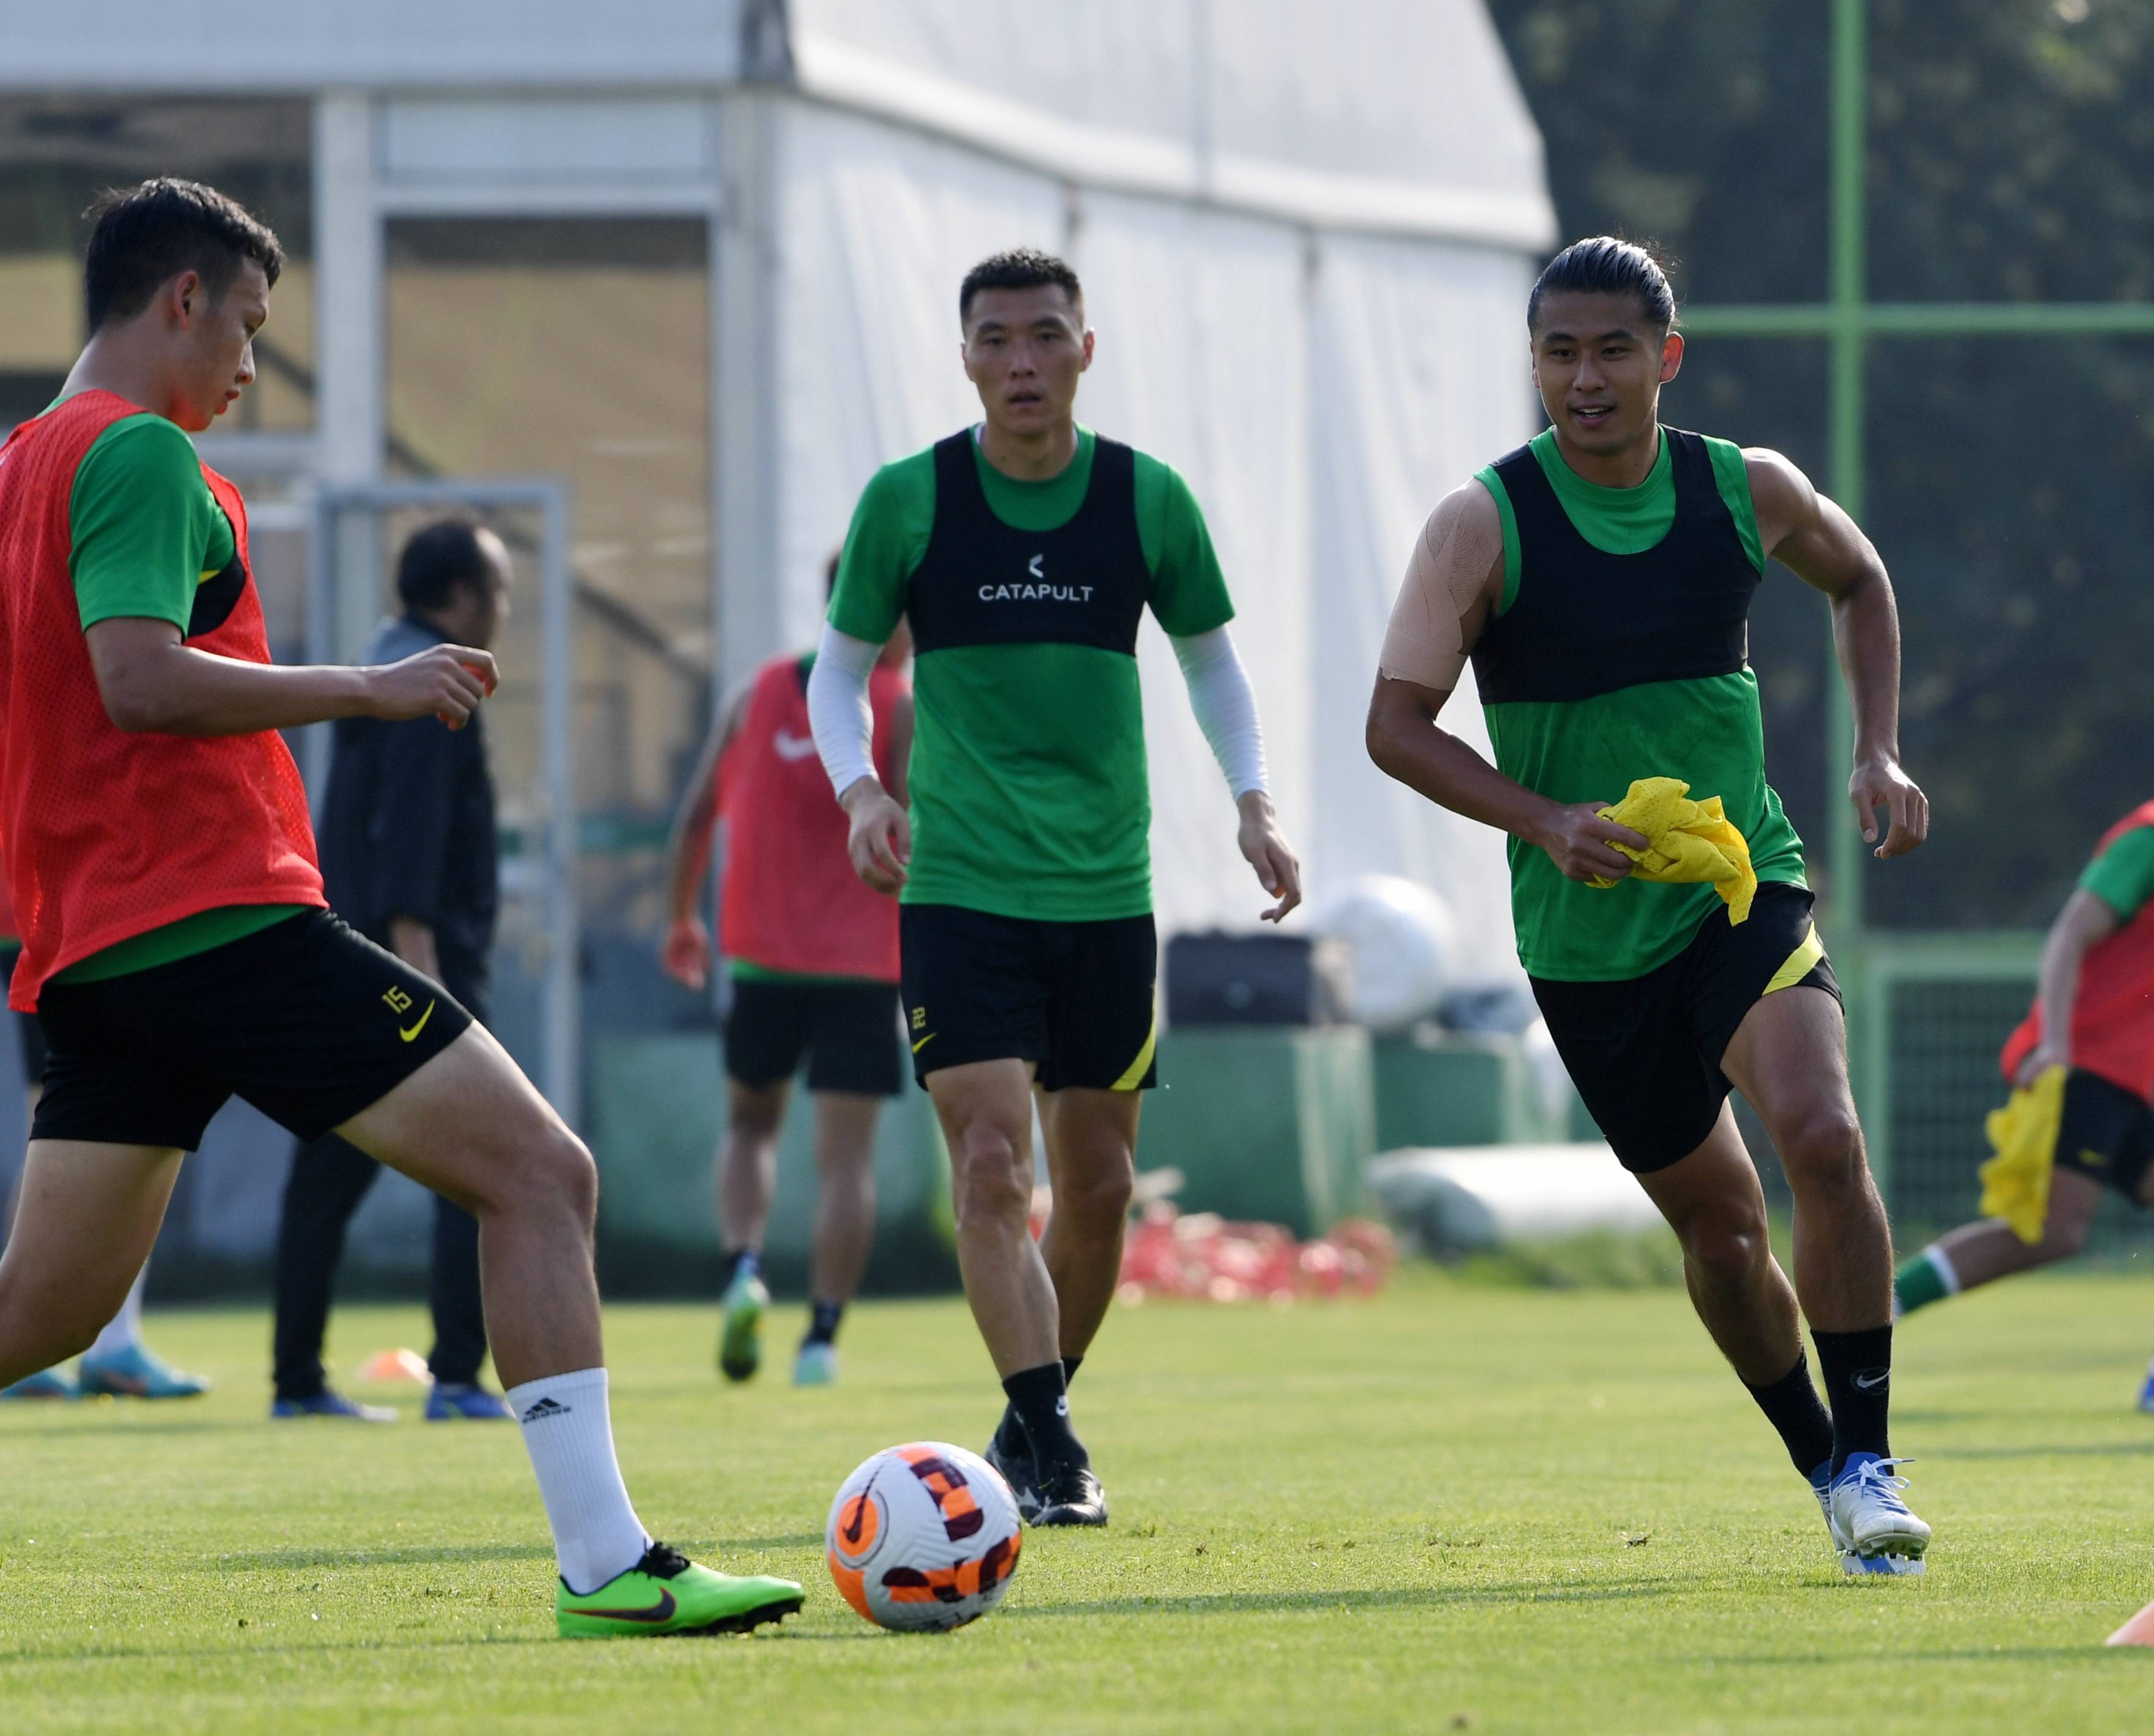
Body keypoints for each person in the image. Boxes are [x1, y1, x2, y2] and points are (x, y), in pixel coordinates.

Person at [0, 177, 800, 1636]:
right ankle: (607, 1561)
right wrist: (363, 686)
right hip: (219, 919)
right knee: (544, 1175)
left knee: (40, 1317)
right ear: (180, 299)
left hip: (102, 946)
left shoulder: (20, 464)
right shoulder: (139, 456)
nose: (251, 359)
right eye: (247, 322)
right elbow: (137, 678)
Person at [1367, 237, 1935, 1576]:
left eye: (1613, 348)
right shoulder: (1482, 523)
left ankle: (1872, 1455)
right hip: (1585, 940)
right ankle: (1818, 1460)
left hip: (1740, 886)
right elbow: (1396, 725)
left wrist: (1878, 746)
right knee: (1725, 1233)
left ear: (1666, 358)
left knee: (1825, 1134)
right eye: (1559, 351)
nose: (1586, 377)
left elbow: (1860, 579)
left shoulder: (1746, 488)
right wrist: (1546, 819)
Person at [811, 248, 1304, 1529]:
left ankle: (1030, 1416)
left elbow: (1212, 668)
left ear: (1087, 348)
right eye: (995, 340)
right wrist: (864, 792)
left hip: (1104, 893)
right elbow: (838, 669)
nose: (1020, 362)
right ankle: (1056, 1442)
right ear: (965, 355)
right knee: (989, 1166)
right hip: (962, 888)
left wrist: (1253, 803)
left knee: (1096, 1191)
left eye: (1043, 336)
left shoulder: (1148, 501)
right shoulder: (908, 501)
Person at [1891, 667, 2154, 1420]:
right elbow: (2070, 935)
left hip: (2127, 1090)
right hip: (2081, 1073)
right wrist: (2058, 1047)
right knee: (2049, 1232)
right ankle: (1874, 1311)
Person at [269, 519, 510, 1424]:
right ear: (458, 596)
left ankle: (296, 1380)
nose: (504, 605)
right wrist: (428, 978)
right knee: (488, 1156)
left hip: (351, 957)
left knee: (329, 1169)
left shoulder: (387, 661)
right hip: (415, 962)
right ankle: (454, 1374)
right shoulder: (429, 680)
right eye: (497, 586)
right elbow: (409, 834)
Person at [662, 558, 913, 1389]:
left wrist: (680, 916)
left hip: (761, 957)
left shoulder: (756, 691)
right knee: (845, 1161)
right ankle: (821, 1337)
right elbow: (923, 832)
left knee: (749, 1127)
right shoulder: (896, 705)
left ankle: (743, 1269)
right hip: (861, 964)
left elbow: (697, 813)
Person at [0, 857, 208, 1402]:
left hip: (57, 906)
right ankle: (84, 1346)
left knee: (67, 1115)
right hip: (53, 910)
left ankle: (91, 1345)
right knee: (77, 1117)